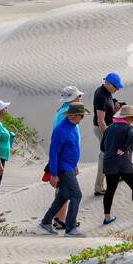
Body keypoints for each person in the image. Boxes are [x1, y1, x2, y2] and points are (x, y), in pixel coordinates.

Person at [40, 101, 88, 237]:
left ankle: (46, 221)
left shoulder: (73, 126)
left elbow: (71, 149)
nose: (82, 118)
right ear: (72, 115)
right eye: (81, 115)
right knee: (76, 195)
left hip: (69, 167)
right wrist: (54, 174)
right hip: (63, 168)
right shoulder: (61, 130)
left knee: (63, 196)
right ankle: (70, 228)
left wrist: (75, 165)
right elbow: (53, 153)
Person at [47, 86, 84, 229]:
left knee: (64, 190)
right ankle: (60, 220)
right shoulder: (66, 112)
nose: (80, 98)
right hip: (64, 160)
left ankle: (57, 219)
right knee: (67, 191)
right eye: (78, 96)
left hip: (67, 159)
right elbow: (59, 139)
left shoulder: (66, 110)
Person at [92, 73, 124, 197]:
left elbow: (107, 111)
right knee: (104, 156)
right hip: (102, 129)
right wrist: (108, 136)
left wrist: (115, 109)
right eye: (116, 87)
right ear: (108, 84)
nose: (117, 89)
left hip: (107, 127)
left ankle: (117, 174)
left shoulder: (106, 92)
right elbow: (100, 120)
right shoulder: (101, 95)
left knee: (113, 151)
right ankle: (98, 187)